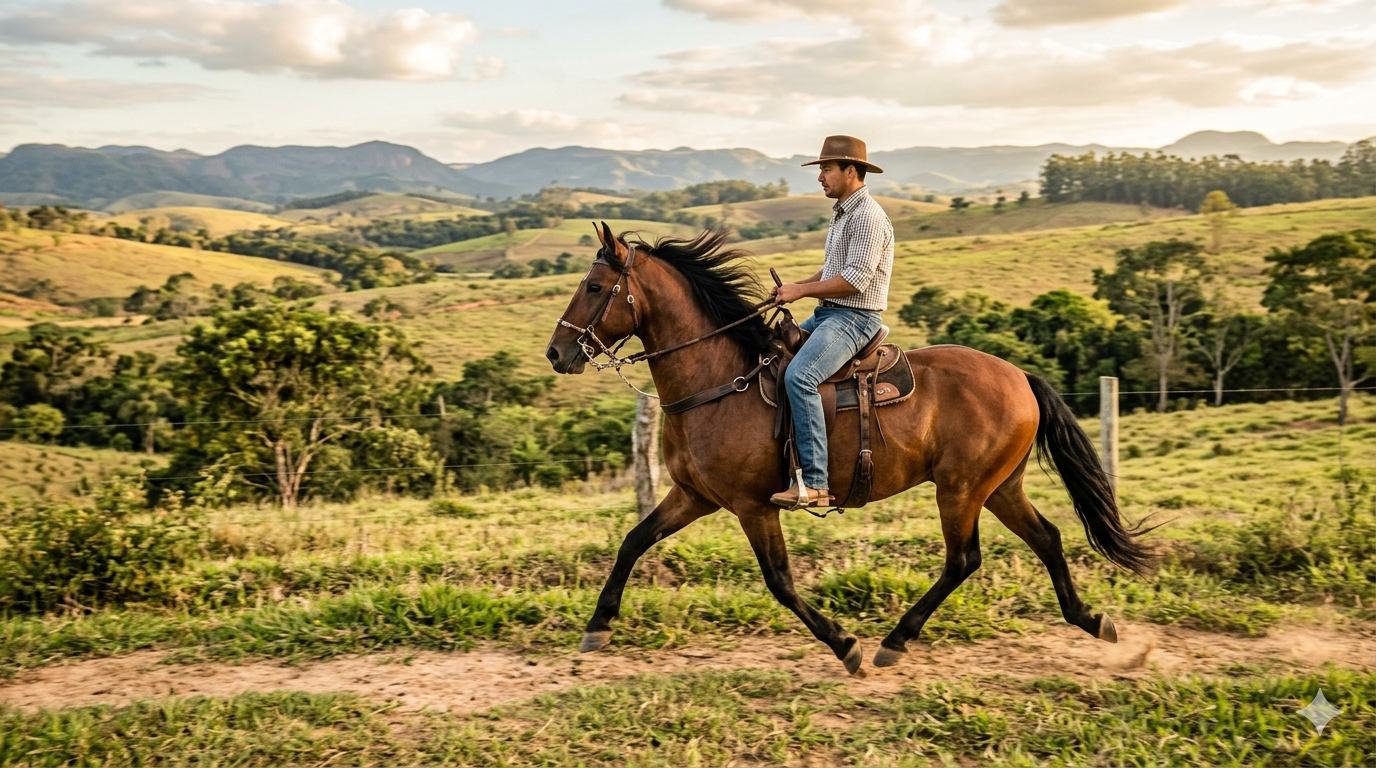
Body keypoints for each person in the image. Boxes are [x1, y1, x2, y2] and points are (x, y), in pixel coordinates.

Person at [768, 135, 894, 509]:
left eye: (826, 169)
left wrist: (801, 292)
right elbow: (832, 269)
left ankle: (815, 484)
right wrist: (794, 288)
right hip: (829, 313)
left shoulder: (867, 217)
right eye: (821, 169)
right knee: (771, 354)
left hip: (854, 318)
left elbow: (855, 279)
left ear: (849, 171)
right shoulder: (842, 213)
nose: (820, 177)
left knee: (801, 376)